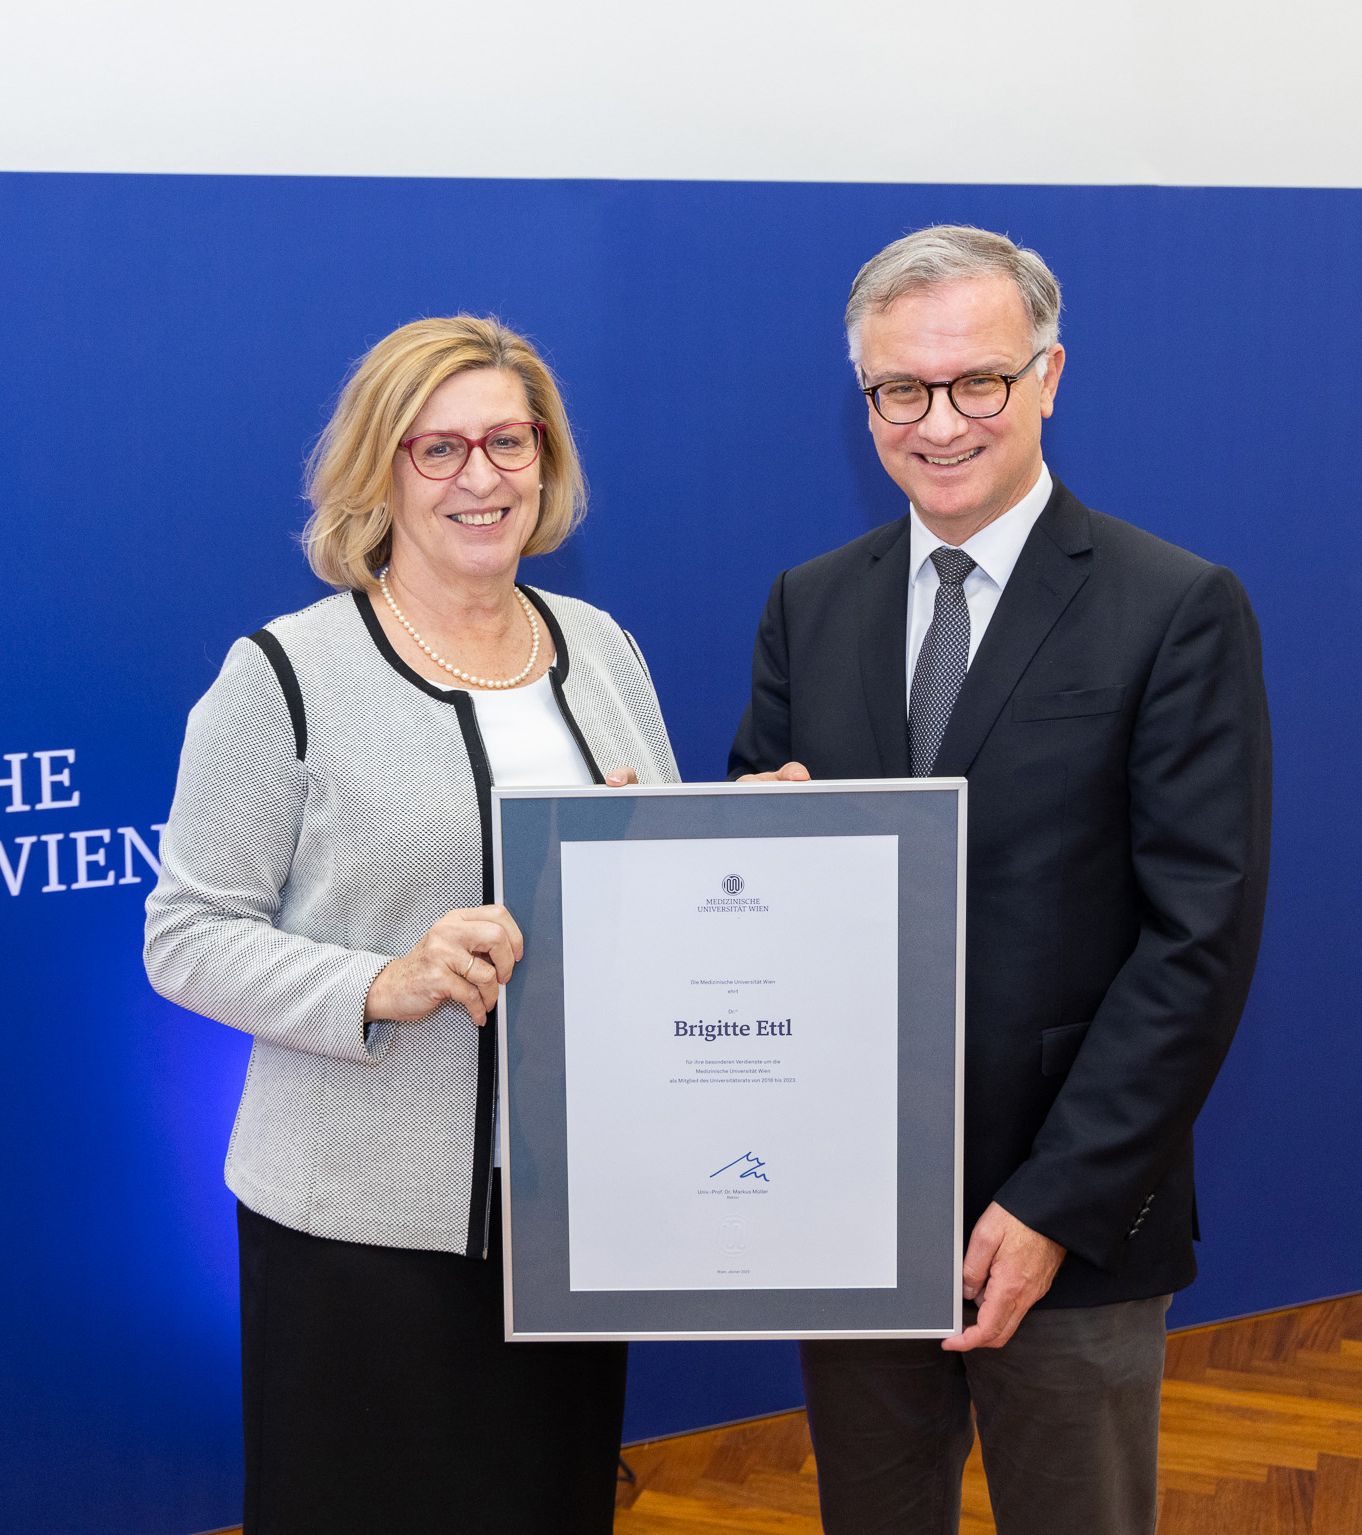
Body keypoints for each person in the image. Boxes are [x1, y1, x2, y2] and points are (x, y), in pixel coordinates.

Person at [728, 226, 1272, 1533]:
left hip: (1069, 1216)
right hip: (850, 1209)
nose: (939, 421)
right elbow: (757, 867)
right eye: (900, 389)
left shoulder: (1174, 605)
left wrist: (1051, 1202)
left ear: (1048, 376)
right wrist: (745, 850)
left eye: (977, 379)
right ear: (864, 398)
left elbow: (1197, 940)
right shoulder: (810, 602)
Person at [145, 314, 678, 1534]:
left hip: (569, 1213)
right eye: (437, 448)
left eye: (507, 440)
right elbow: (186, 931)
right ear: (377, 472)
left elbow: (647, 893)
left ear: (544, 458)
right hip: (358, 1235)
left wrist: (730, 856)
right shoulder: (284, 672)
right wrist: (380, 981)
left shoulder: (600, 648)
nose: (479, 476)